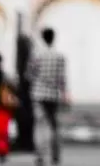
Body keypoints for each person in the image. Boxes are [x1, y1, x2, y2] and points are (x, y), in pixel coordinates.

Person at [28, 27, 68, 166]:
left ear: (43, 38)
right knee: (54, 126)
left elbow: (29, 74)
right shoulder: (60, 56)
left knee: (39, 125)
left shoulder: (36, 55)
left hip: (38, 94)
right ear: (53, 38)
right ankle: (55, 156)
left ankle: (40, 156)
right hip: (53, 94)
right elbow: (62, 78)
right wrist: (65, 94)